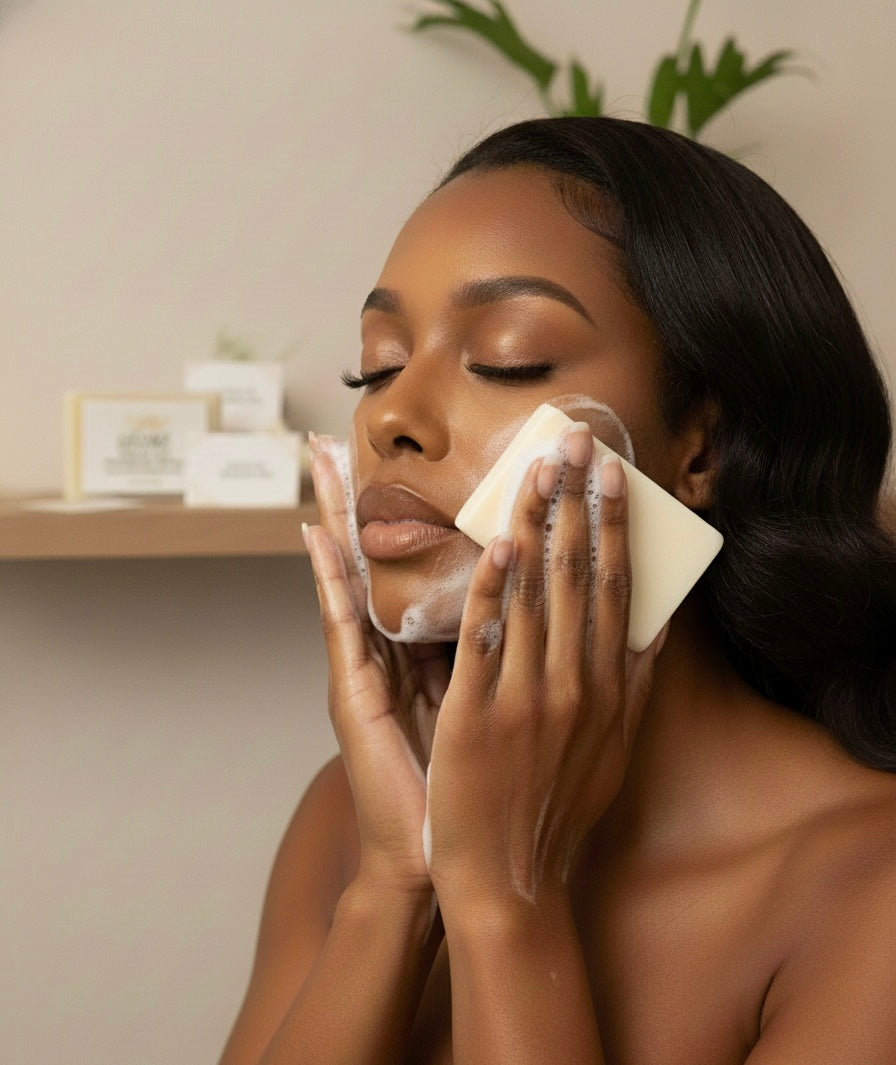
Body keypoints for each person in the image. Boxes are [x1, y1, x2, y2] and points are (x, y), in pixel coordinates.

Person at [218, 117, 896, 1065]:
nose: (392, 417)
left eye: (507, 358)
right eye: (376, 365)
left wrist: (504, 901)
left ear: (700, 446)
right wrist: (397, 886)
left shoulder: (869, 884)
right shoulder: (357, 815)